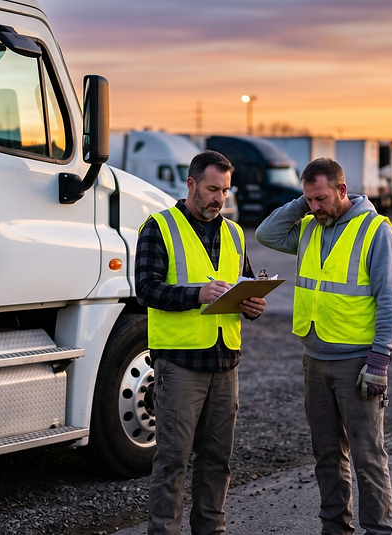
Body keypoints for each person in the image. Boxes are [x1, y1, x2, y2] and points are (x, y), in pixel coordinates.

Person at [255, 158, 392, 535]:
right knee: (326, 454)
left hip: (357, 362)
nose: (315, 207)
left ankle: (378, 530)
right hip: (315, 359)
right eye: (309, 200)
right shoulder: (308, 226)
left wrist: (379, 361)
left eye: (321, 198)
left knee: (368, 455)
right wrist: (302, 204)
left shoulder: (376, 231)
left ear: (342, 190)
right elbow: (266, 234)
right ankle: (335, 528)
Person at [136, 150, 267, 535]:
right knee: (173, 460)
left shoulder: (234, 232)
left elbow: (240, 284)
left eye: (225, 191)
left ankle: (211, 529)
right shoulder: (159, 227)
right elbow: (145, 290)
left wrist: (252, 305)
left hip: (225, 363)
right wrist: (197, 295)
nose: (218, 199)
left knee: (217, 459)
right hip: (180, 365)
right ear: (191, 184)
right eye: (212, 189)